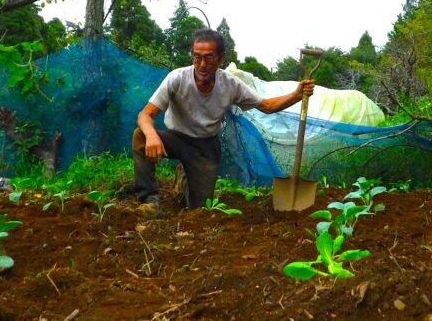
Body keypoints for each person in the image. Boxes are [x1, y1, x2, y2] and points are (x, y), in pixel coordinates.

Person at [133, 28, 314, 217]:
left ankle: (185, 178)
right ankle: (149, 200)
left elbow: (266, 106)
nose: (202, 64)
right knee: (140, 136)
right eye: (197, 57)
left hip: (205, 148)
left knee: (200, 210)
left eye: (209, 58)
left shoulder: (230, 85)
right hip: (176, 138)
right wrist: (152, 135)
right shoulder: (177, 78)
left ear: (220, 59)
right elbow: (145, 115)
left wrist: (296, 94)